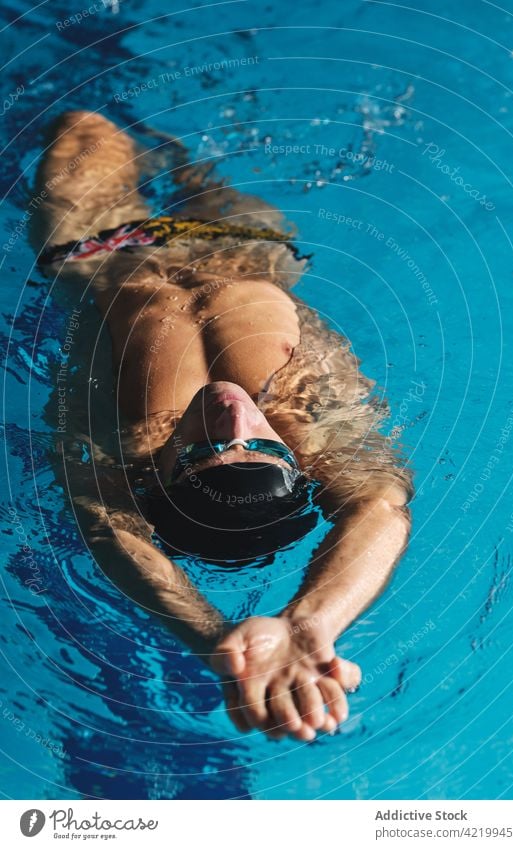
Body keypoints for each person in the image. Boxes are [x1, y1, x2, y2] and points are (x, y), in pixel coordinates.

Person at [31, 111, 413, 742]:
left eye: (207, 447)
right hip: (245, 247)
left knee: (82, 125)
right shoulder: (309, 417)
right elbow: (381, 505)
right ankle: (180, 153)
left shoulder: (121, 435)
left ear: (162, 469)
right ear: (292, 462)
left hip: (103, 249)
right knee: (194, 160)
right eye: (260, 446)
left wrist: (213, 638)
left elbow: (107, 525)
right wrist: (311, 622)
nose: (234, 409)